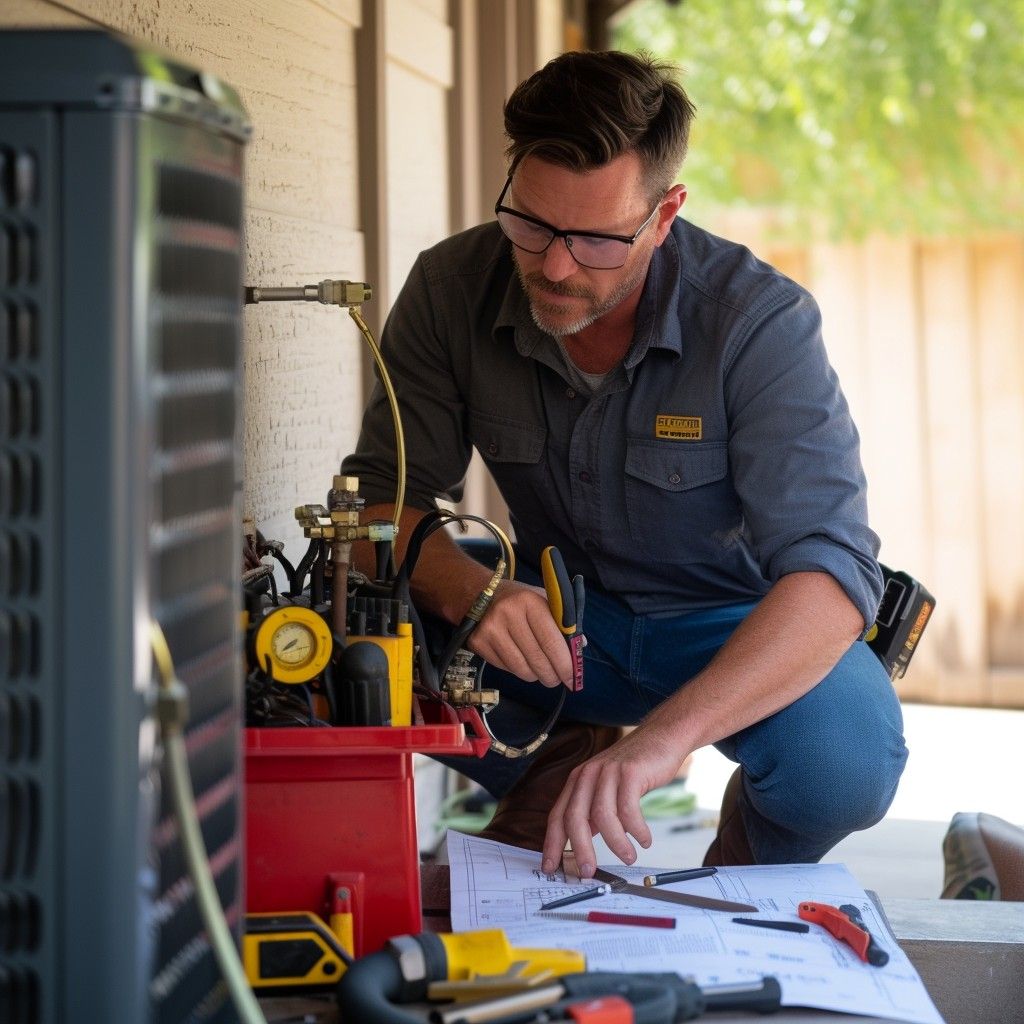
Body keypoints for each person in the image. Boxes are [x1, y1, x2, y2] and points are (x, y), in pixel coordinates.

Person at [342, 49, 908, 879]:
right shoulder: (450, 286)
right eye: (531, 225)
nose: (557, 266)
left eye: (598, 240)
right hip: (555, 620)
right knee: (337, 643)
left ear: (665, 213)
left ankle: (745, 871)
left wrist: (660, 745)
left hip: (726, 627)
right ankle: (549, 760)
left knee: (845, 762)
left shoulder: (759, 321)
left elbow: (833, 577)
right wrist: (477, 593)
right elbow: (371, 509)